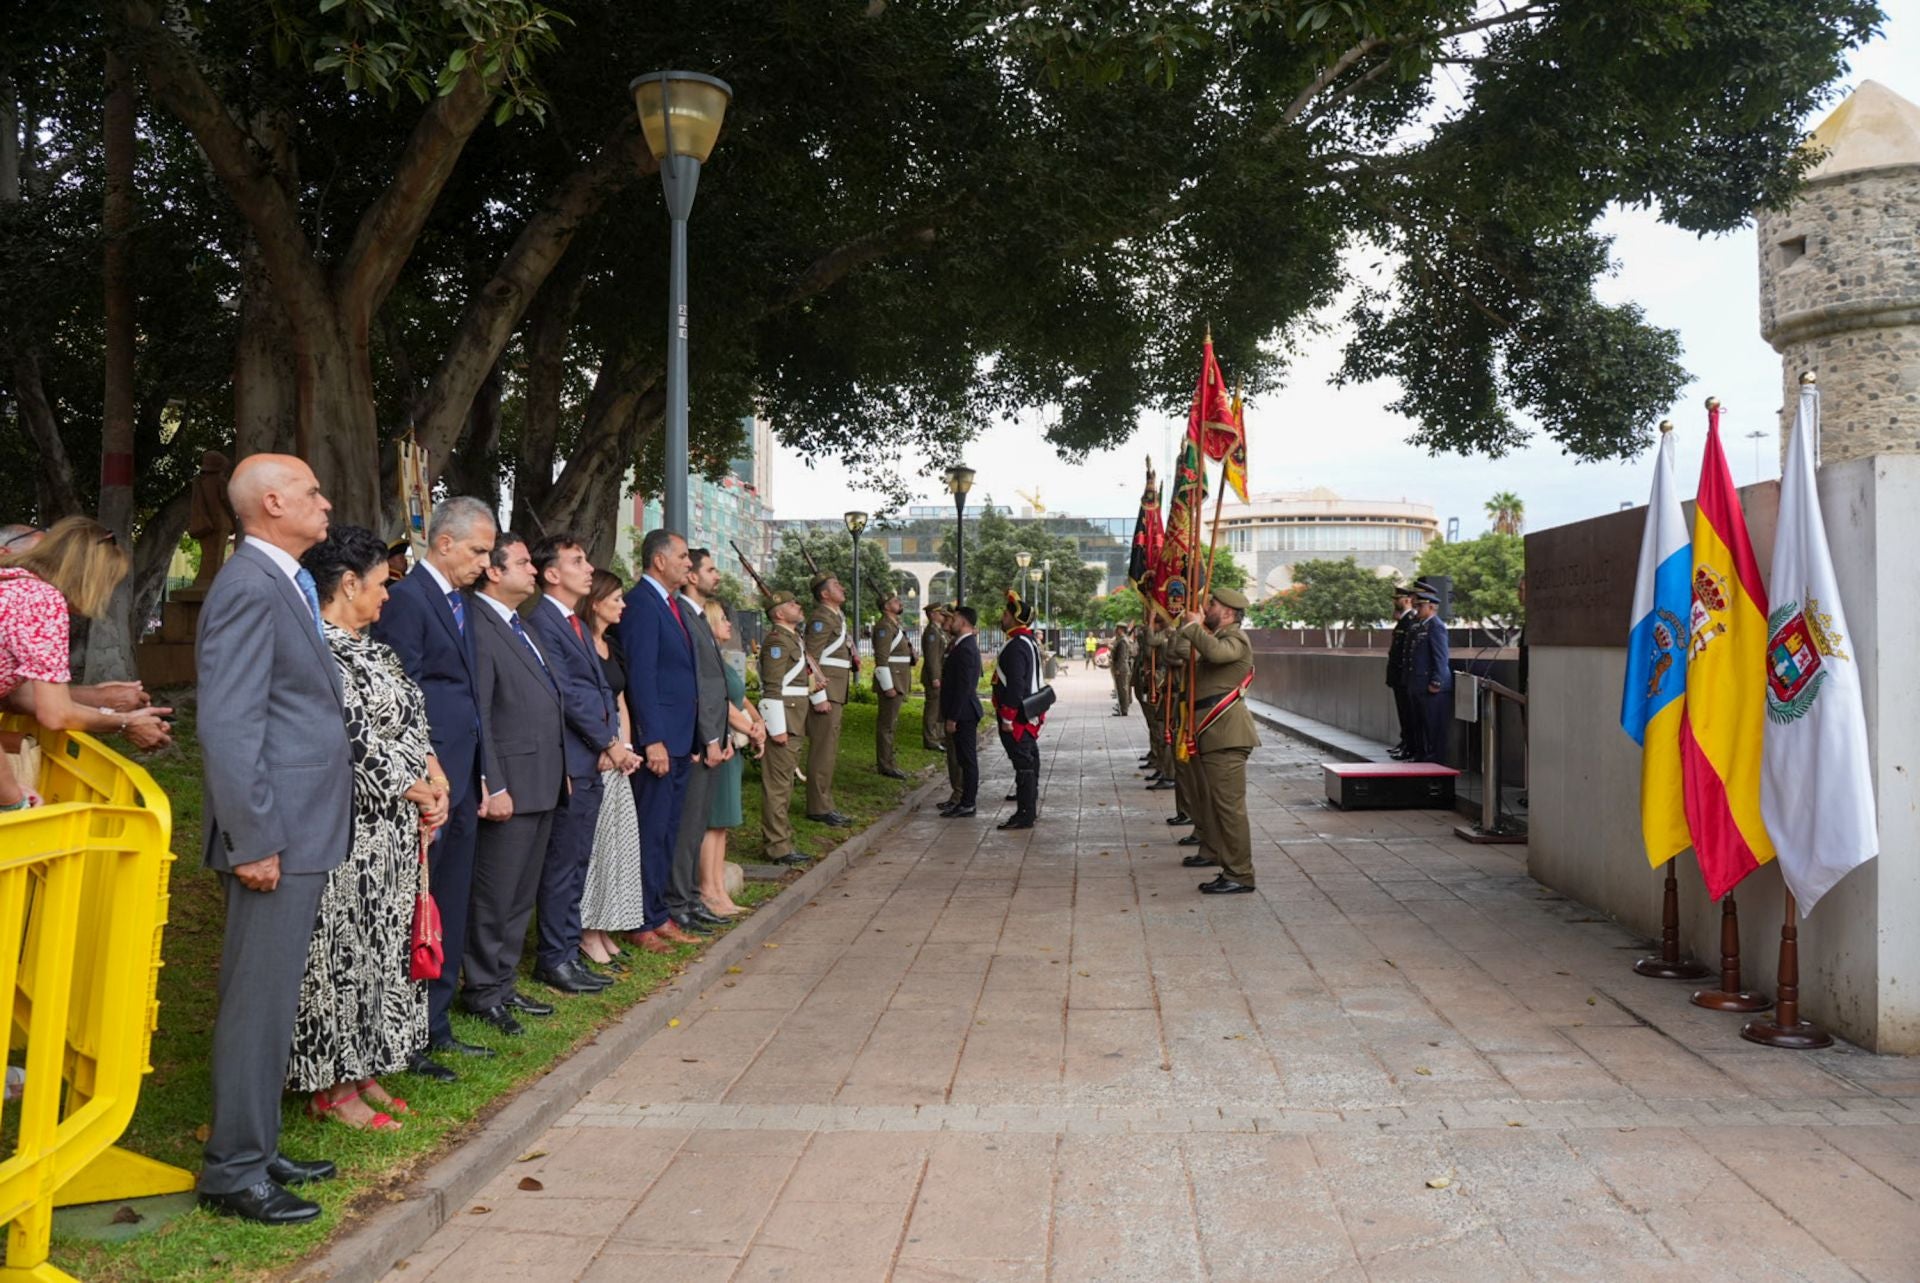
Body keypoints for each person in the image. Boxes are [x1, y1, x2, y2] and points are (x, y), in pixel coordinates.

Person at [195, 453, 348, 1225]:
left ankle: (258, 1140)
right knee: (255, 1004)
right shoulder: (251, 585)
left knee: (274, 999)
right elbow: (229, 721)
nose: (327, 503)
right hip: (273, 833)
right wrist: (252, 836)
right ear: (275, 501)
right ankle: (234, 1169)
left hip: (300, 826)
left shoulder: (283, 579)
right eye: (315, 492)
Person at [287, 525, 448, 1133]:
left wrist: (437, 779)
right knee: (342, 954)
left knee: (382, 952)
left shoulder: (374, 647)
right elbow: (348, 737)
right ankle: (330, 1085)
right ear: (347, 584)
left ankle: (365, 1065)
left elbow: (413, 719)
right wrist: (410, 785)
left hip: (395, 832)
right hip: (348, 829)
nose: (388, 596)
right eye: (381, 584)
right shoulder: (319, 647)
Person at [370, 495, 496, 1082]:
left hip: (463, 772)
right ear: (443, 543)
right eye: (478, 550)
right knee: (417, 903)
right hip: (428, 777)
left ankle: (435, 1023)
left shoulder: (460, 601)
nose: (484, 563)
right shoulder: (407, 600)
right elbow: (402, 691)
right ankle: (406, 1034)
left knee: (449, 898)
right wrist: (423, 772)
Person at [464, 533, 571, 1034]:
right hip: (509, 782)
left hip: (542, 779)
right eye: (525, 563)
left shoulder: (520, 624)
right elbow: (482, 710)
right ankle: (483, 991)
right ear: (494, 571)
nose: (533, 570)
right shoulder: (480, 624)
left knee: (519, 894)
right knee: (496, 894)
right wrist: (493, 781)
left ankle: (503, 984)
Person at [527, 534, 637, 991]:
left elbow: (597, 689)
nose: (588, 568)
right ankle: (554, 957)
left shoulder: (570, 622)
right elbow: (569, 693)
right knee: (564, 864)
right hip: (574, 759)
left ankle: (567, 951)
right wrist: (609, 743)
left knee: (577, 863)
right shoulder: (542, 622)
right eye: (577, 561)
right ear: (552, 574)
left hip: (591, 759)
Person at [0, 515, 171, 759]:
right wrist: (125, 722)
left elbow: (19, 696)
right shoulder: (42, 600)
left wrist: (101, 700)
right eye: (109, 581)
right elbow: (55, 714)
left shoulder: (13, 583)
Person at [618, 529, 703, 952]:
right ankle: (641, 921)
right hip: (659, 742)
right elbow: (642, 678)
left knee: (668, 831)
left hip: (679, 739)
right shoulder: (641, 605)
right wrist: (651, 739)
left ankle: (659, 913)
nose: (689, 563)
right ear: (659, 561)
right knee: (650, 833)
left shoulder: (669, 605)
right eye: (683, 556)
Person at [577, 568, 655, 960]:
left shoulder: (611, 645)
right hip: (595, 759)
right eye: (617, 599)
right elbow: (580, 705)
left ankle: (605, 925)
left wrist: (624, 747)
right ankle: (587, 930)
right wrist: (607, 750)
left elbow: (620, 698)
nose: (623, 606)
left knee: (616, 847)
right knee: (595, 848)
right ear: (595, 603)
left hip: (617, 758)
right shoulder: (579, 645)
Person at [1178, 586, 1262, 895]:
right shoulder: (1218, 637)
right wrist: (1190, 628)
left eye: (1211, 604)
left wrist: (1191, 627)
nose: (1205, 607)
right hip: (1213, 734)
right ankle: (1221, 858)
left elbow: (1215, 653)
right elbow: (1178, 653)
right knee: (1216, 805)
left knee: (1229, 808)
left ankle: (1240, 873)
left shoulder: (1235, 639)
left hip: (1226, 735)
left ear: (1227, 612)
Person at [668, 549, 731, 936]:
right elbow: (697, 686)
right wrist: (708, 736)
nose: (716, 576)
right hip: (695, 739)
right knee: (687, 826)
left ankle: (689, 898)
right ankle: (680, 902)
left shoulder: (697, 617)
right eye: (709, 569)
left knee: (695, 826)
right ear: (691, 574)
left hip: (710, 737)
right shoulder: (684, 615)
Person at [702, 599, 762, 917]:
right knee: (713, 823)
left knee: (722, 824)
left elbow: (740, 697)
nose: (729, 624)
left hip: (732, 743)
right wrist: (752, 729)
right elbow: (723, 703)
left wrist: (757, 723)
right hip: (720, 741)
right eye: (723, 618)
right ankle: (709, 890)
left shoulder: (721, 659)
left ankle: (719, 890)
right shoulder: (707, 660)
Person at [756, 589, 816, 866]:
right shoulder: (777, 642)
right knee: (778, 786)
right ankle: (778, 847)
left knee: (785, 785)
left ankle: (783, 840)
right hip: (785, 722)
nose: (798, 605)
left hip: (794, 719)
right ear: (779, 613)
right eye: (792, 603)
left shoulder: (793, 639)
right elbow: (772, 687)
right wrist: (777, 728)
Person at [803, 571, 854, 825]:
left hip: (835, 691)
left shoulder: (835, 616)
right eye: (836, 585)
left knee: (829, 750)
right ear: (824, 594)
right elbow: (809, 658)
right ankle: (818, 807)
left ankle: (824, 802)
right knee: (822, 751)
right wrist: (818, 695)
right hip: (826, 692)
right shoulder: (822, 618)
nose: (842, 587)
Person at [991, 592, 1045, 831]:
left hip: (1018, 716)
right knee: (1029, 760)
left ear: (1015, 618)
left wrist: (1007, 717)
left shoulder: (1016, 646)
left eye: (1005, 614)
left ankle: (1025, 814)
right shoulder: (1028, 641)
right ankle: (1028, 809)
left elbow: (1016, 684)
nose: (1002, 617)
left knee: (1023, 763)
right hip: (1028, 712)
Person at [938, 605, 982, 818]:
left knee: (967, 760)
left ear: (963, 622)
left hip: (964, 713)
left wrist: (953, 717)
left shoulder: (966, 648)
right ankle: (964, 801)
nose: (950, 621)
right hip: (962, 711)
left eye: (954, 618)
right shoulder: (962, 645)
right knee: (963, 759)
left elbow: (963, 686)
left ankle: (968, 803)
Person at [870, 589, 913, 778]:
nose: (899, 603)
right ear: (887, 606)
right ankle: (886, 764)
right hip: (892, 682)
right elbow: (881, 658)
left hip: (898, 679)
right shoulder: (884, 627)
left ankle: (889, 760)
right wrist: (887, 686)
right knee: (886, 725)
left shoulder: (894, 625)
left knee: (891, 724)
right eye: (895, 601)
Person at [1410, 588, 1454, 764]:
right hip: (1419, 685)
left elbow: (1441, 657)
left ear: (1431, 607)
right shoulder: (1422, 626)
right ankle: (1423, 759)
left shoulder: (1436, 626)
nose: (1417, 609)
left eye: (1420, 606)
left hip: (1432, 686)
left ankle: (1435, 763)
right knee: (1421, 726)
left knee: (1434, 727)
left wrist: (1436, 680)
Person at [1386, 585, 1418, 760]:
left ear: (1406, 600)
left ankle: (1409, 745)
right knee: (1403, 713)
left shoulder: (1410, 621)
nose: (1394, 602)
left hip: (1404, 677)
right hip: (1399, 677)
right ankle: (1405, 742)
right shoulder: (1403, 621)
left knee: (1408, 714)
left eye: (1397, 599)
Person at [919, 602, 947, 752]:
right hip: (933, 677)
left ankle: (938, 737)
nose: (943, 615)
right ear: (932, 614)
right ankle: (930, 739)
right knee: (932, 709)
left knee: (938, 708)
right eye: (940, 612)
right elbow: (931, 658)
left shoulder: (938, 631)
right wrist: (935, 677)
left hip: (939, 675)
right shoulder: (931, 632)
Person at [1110, 624, 1133, 716]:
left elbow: (1122, 657)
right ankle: (1122, 708)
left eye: (1117, 628)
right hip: (1121, 667)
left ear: (1121, 629)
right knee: (1121, 689)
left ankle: (1124, 709)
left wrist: (1118, 669)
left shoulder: (1123, 641)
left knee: (1122, 689)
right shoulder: (1122, 639)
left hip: (1122, 668)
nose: (1115, 630)